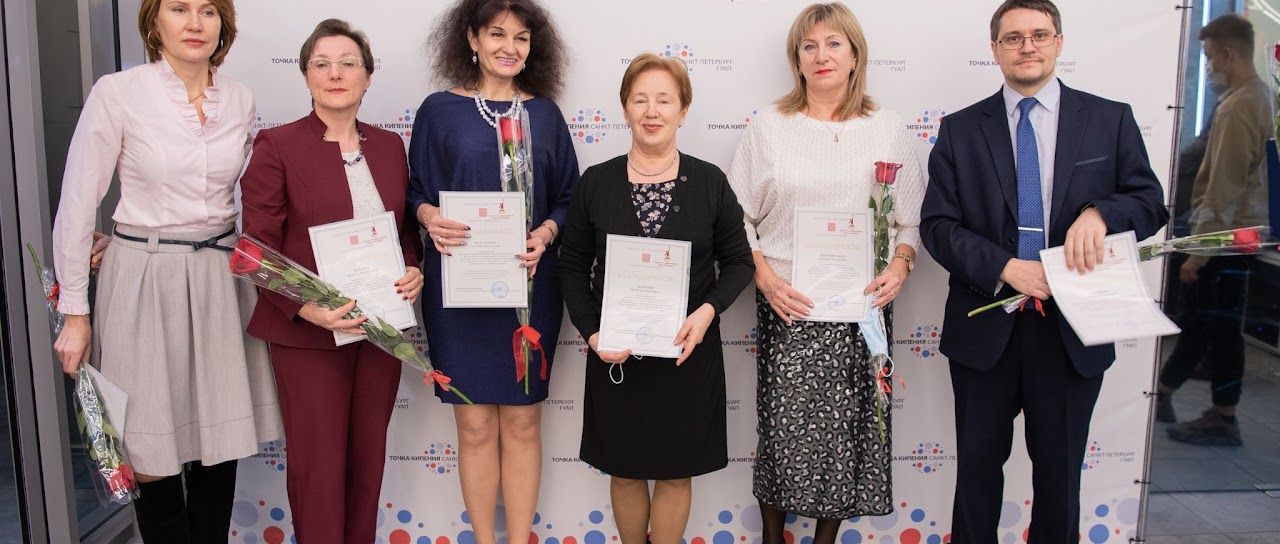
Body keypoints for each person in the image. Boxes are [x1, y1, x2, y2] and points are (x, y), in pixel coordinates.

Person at [919, 1, 1169, 542]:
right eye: (1013, 37)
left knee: (1059, 479)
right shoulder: (960, 129)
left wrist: (1101, 213)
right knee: (976, 476)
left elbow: (1150, 204)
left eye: (1038, 34)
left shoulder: (1109, 119)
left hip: (1071, 331)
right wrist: (1007, 268)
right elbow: (937, 226)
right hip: (985, 329)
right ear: (995, 49)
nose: (1026, 46)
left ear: (1059, 42)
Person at [49, 0, 282, 541]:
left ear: (224, 24)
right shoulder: (118, 92)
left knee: (218, 441)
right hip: (142, 279)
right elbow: (78, 204)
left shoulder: (241, 99)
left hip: (220, 279)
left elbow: (254, 198)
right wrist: (75, 313)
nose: (195, 23)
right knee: (147, 443)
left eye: (208, 11)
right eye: (179, 8)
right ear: (154, 20)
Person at [727, 4, 925, 543]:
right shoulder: (770, 127)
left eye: (834, 43)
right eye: (809, 46)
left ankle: (825, 540)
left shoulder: (887, 128)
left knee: (848, 432)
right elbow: (736, 217)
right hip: (789, 303)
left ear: (856, 55)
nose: (822, 55)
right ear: (796, 59)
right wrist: (765, 278)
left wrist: (901, 266)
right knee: (783, 431)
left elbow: (911, 220)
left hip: (862, 308)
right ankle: (772, 538)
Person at [238, 19, 423, 543]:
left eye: (348, 64)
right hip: (308, 336)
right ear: (306, 76)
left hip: (380, 331)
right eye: (322, 64)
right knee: (318, 471)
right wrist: (307, 309)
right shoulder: (277, 145)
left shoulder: (389, 146)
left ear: (368, 77)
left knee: (367, 465)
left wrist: (413, 268)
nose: (335, 74)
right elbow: (256, 251)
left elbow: (401, 231)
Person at [559, 53, 755, 544]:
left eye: (664, 100)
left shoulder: (710, 182)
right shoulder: (596, 182)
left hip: (687, 353)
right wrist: (594, 334)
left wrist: (706, 313)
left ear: (683, 111)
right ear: (625, 108)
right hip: (616, 355)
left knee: (675, 472)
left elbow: (739, 262)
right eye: (640, 99)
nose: (652, 111)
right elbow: (572, 266)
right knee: (624, 470)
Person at [407, 1, 579, 542]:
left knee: (524, 420)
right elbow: (414, 191)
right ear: (472, 39)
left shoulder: (545, 115)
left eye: (521, 37)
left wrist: (545, 233)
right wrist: (429, 216)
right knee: (474, 422)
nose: (510, 47)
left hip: (531, 285)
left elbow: (569, 198)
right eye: (497, 34)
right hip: (458, 288)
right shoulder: (438, 111)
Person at [1157, 13, 1271, 446]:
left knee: (1217, 327)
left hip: (1225, 240)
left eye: (1208, 57)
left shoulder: (1239, 107)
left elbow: (1223, 186)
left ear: (1227, 54)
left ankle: (1222, 415)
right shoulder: (1259, 97)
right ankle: (1166, 393)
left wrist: (1199, 252)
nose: (1207, 66)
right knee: (1206, 322)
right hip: (1237, 235)